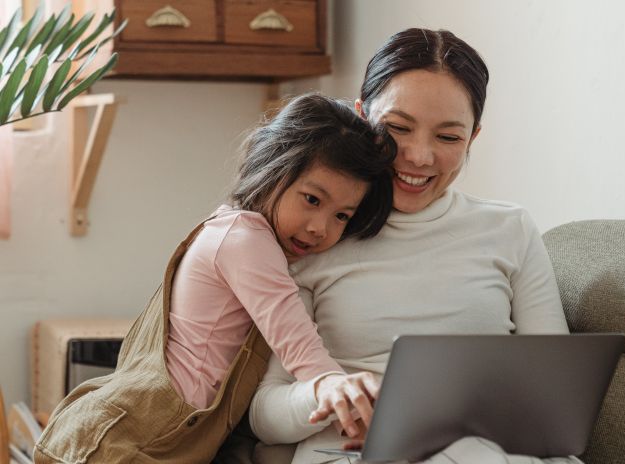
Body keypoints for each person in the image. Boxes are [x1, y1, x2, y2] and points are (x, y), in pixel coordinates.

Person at [248, 29, 578, 464]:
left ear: (473, 138)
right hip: (354, 451)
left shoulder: (510, 228)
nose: (420, 157)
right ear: (362, 117)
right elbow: (263, 415)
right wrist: (328, 393)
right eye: (398, 128)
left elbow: (558, 397)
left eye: (448, 138)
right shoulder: (318, 235)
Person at [33, 93, 395, 464]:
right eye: (312, 200)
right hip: (122, 443)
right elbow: (296, 340)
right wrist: (339, 387)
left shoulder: (238, 232)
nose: (320, 228)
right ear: (273, 168)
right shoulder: (245, 239)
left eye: (342, 217)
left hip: (160, 441)